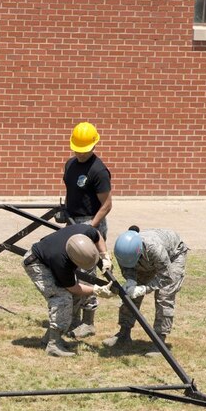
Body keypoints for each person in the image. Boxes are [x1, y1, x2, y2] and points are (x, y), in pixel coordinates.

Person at [23, 223, 111, 357]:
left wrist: (105, 256)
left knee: (77, 296)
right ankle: (53, 345)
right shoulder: (60, 260)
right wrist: (97, 290)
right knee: (61, 298)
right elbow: (72, 287)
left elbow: (97, 235)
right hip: (36, 263)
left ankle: (49, 338)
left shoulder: (86, 231)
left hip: (49, 256)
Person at [102, 226, 189, 356]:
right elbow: (127, 267)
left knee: (164, 296)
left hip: (173, 256)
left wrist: (144, 289)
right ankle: (124, 334)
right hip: (145, 259)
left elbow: (166, 277)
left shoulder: (155, 249)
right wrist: (131, 280)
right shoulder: (122, 251)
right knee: (130, 294)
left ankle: (159, 342)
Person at [61, 122, 113, 339]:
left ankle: (88, 322)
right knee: (69, 271)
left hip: (92, 225)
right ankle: (71, 319)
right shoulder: (70, 164)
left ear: (93, 146)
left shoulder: (98, 170)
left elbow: (107, 205)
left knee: (87, 275)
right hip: (72, 222)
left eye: (84, 150)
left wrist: (89, 228)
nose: (80, 154)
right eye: (77, 149)